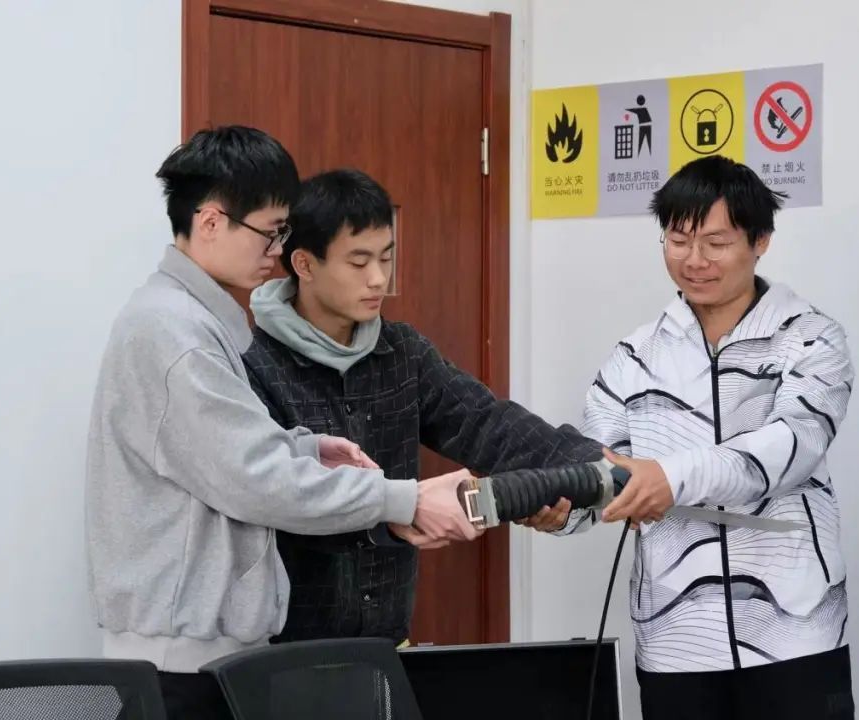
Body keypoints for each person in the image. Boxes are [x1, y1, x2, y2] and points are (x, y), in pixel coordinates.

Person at [84, 127, 479, 720]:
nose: (276, 251)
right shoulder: (175, 334)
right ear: (211, 221)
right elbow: (256, 480)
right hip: (181, 667)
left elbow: (221, 454)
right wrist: (404, 500)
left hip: (200, 656)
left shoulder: (193, 320)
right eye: (269, 232)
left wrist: (305, 449)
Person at [535, 155, 856, 719]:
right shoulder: (635, 356)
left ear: (760, 241)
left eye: (716, 243)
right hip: (675, 639)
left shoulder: (811, 339)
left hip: (795, 632)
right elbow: (606, 474)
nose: (694, 261)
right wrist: (564, 509)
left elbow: (792, 447)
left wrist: (669, 478)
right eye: (678, 241)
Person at [242, 168, 604, 645]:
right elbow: (278, 498)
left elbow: (486, 423)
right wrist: (400, 508)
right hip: (280, 649)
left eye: (386, 257)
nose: (378, 278)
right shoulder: (251, 361)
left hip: (386, 641)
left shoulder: (403, 352)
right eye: (359, 262)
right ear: (304, 264)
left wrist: (593, 466)